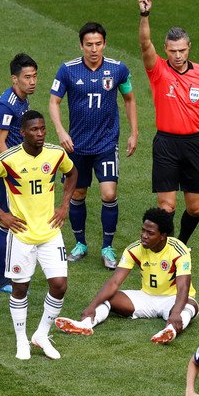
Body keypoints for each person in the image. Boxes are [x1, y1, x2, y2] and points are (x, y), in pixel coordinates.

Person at [0, 111, 78, 360]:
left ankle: (41, 334)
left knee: (60, 286)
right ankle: (21, 341)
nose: (40, 134)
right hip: (21, 234)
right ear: (22, 133)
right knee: (20, 288)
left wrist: (65, 205)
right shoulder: (8, 159)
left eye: (42, 129)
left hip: (50, 231)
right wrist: (1, 214)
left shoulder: (56, 153)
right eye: (34, 130)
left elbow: (72, 173)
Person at [137, 0, 199, 244]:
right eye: (172, 50)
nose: (177, 55)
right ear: (165, 49)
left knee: (195, 207)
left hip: (193, 144)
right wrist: (145, 15)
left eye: (181, 50)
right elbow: (145, 44)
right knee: (166, 207)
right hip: (166, 144)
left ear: (189, 47)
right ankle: (166, 250)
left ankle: (181, 243)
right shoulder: (157, 70)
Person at [49, 22, 139, 270]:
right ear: (81, 45)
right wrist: (60, 131)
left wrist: (134, 132)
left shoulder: (118, 69)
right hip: (76, 146)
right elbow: (54, 102)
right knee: (78, 194)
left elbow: (130, 99)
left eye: (98, 44)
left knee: (109, 194)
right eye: (89, 44)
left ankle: (107, 247)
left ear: (105, 44)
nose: (94, 49)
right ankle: (80, 243)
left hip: (106, 144)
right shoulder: (68, 71)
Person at [54, 207, 197, 344]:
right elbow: (114, 282)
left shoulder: (179, 250)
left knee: (191, 306)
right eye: (143, 230)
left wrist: (176, 312)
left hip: (172, 299)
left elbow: (183, 286)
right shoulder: (134, 249)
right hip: (146, 297)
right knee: (109, 296)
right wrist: (92, 306)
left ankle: (170, 330)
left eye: (150, 233)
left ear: (163, 236)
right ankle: (86, 324)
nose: (144, 236)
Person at [0, 53, 38, 294]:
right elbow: (0, 142)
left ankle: (14, 273)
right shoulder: (7, 105)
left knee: (18, 222)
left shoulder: (22, 99)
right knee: (7, 223)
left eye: (34, 76)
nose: (32, 82)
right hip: (6, 172)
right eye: (27, 77)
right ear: (14, 79)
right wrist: (15, 171)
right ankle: (3, 280)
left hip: (17, 168)